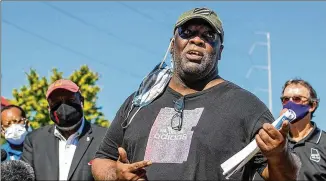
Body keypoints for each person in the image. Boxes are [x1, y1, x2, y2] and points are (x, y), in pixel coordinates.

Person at [91, 7, 300, 181]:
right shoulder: (139, 102)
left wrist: (278, 155)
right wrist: (116, 174)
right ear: (173, 44)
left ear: (220, 52)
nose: (197, 40)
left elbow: (286, 176)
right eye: (187, 32)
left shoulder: (246, 107)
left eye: (209, 36)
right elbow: (101, 161)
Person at [21, 79, 107, 180]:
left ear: (81, 102)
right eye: (56, 101)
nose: (63, 106)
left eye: (70, 99)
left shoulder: (104, 138)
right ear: (48, 107)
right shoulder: (34, 140)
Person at [255, 78, 325, 181]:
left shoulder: (323, 143)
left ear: (312, 105)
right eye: (286, 99)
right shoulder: (272, 141)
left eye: (297, 99)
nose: (290, 103)